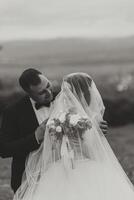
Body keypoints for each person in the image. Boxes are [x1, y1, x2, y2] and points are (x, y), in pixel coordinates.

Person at [13, 72, 134, 200]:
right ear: (86, 92)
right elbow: (92, 153)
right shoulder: (87, 120)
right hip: (86, 167)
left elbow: (55, 148)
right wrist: (93, 138)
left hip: (60, 168)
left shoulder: (60, 117)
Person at [0, 69, 108, 193]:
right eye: (42, 92)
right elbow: (4, 149)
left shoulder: (66, 98)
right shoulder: (13, 113)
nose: (49, 92)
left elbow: (81, 126)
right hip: (31, 178)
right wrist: (35, 137)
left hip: (70, 170)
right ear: (29, 93)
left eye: (48, 85)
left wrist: (94, 129)